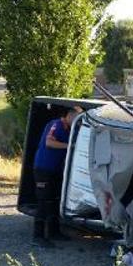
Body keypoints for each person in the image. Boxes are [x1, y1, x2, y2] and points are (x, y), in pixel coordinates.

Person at [32, 106, 81, 247]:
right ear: (70, 116)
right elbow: (49, 142)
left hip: (55, 170)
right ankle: (38, 236)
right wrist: (70, 146)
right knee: (44, 201)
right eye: (77, 118)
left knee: (55, 201)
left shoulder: (70, 129)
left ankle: (54, 232)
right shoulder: (56, 124)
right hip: (43, 169)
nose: (79, 122)